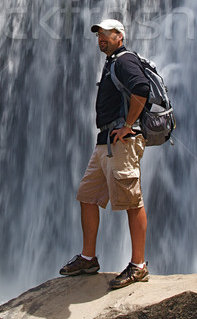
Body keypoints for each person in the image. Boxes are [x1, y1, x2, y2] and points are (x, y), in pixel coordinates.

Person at [59, 19, 150, 289]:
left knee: (132, 201)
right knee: (87, 196)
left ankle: (139, 265)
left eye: (107, 34)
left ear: (119, 36)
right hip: (105, 143)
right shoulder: (111, 62)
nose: (101, 38)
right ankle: (88, 258)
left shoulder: (124, 60)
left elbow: (141, 89)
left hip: (121, 142)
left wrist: (128, 126)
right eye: (99, 34)